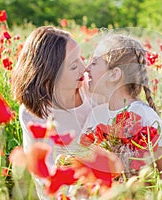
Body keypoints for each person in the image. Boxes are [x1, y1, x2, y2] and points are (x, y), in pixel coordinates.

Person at [11, 26, 104, 199]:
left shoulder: (90, 90)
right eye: (73, 65)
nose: (84, 68)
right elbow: (46, 172)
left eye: (81, 59)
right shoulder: (35, 111)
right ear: (50, 75)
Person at [81, 34, 162, 177]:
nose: (87, 68)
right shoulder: (95, 115)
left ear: (114, 74)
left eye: (95, 62)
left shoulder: (145, 115)